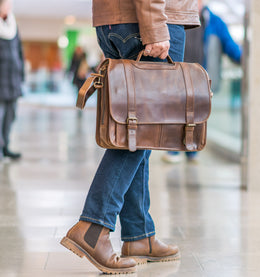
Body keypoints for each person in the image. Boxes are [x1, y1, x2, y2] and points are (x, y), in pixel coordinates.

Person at [60, 0, 200, 275]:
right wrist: (155, 27)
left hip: (119, 19)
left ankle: (139, 234)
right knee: (142, 127)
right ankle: (93, 227)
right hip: (148, 20)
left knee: (138, 131)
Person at [162, 0, 242, 164]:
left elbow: (229, 45)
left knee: (196, 113)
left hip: (201, 77)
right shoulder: (177, 14)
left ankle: (192, 149)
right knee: (175, 111)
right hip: (177, 73)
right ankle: (173, 150)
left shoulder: (215, 21)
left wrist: (244, 59)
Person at [0, 0, 23, 161]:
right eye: (7, 4)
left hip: (13, 80)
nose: (10, 7)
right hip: (1, 80)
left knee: (10, 115)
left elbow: (19, 52)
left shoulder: (13, 26)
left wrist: (22, 75)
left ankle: (6, 146)